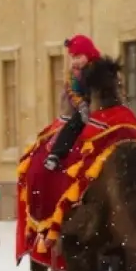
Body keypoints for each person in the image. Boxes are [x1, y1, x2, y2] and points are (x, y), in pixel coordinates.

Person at [43, 35, 102, 172]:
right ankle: (56, 153)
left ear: (88, 54)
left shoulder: (99, 68)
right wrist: (81, 105)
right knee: (73, 125)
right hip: (84, 105)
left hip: (102, 105)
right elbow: (72, 91)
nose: (76, 61)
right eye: (73, 57)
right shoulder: (74, 74)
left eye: (79, 57)